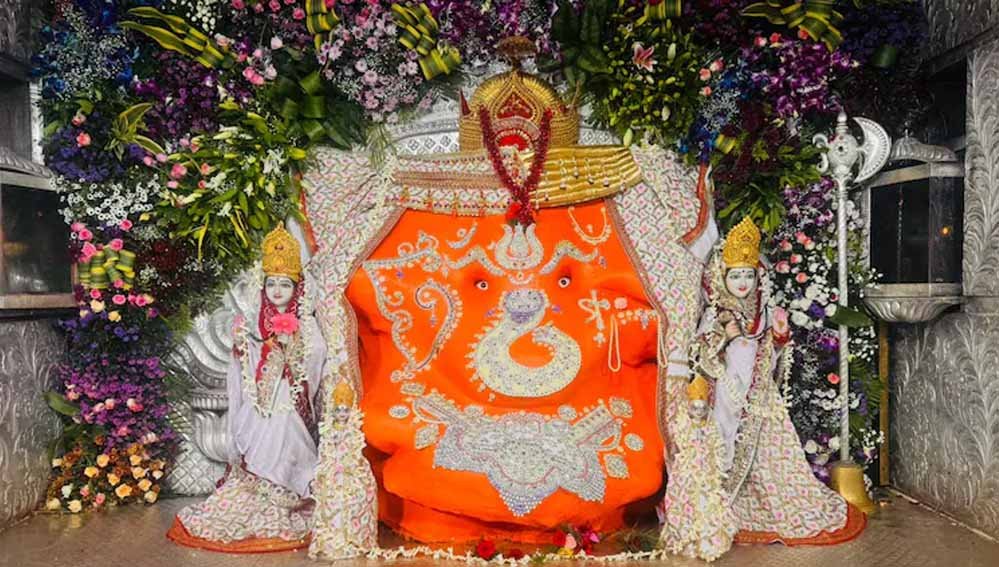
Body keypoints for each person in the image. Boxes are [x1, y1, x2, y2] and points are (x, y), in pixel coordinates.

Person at [694, 216, 865, 545]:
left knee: (774, 461)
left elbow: (769, 357)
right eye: (735, 275)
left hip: (760, 399)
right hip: (726, 398)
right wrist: (725, 338)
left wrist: (780, 337)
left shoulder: (762, 311)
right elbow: (703, 355)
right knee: (721, 452)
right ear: (722, 276)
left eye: (748, 275)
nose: (743, 283)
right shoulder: (717, 313)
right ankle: (716, 507)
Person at [167, 225, 327, 552]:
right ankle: (261, 496)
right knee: (260, 444)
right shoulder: (253, 322)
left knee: (287, 439)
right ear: (263, 286)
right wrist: (246, 346)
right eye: (272, 284)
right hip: (260, 407)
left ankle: (288, 497)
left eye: (285, 284)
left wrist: (292, 350)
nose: (278, 291)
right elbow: (243, 367)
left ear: (296, 288)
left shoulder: (307, 324)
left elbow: (317, 358)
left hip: (289, 404)